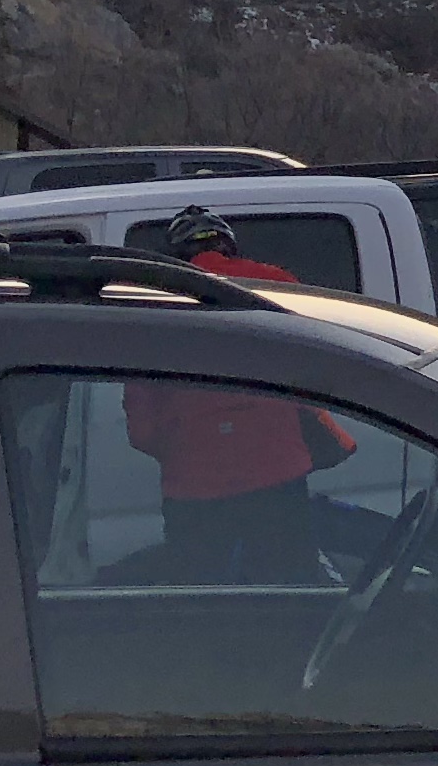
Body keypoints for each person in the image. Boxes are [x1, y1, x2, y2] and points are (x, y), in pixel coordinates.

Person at [116, 211, 358, 583]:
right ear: (227, 243)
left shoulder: (152, 305)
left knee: (201, 598)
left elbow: (142, 429)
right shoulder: (278, 284)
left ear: (178, 253)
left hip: (194, 487)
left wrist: (188, 446)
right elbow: (313, 366)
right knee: (290, 588)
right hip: (277, 472)